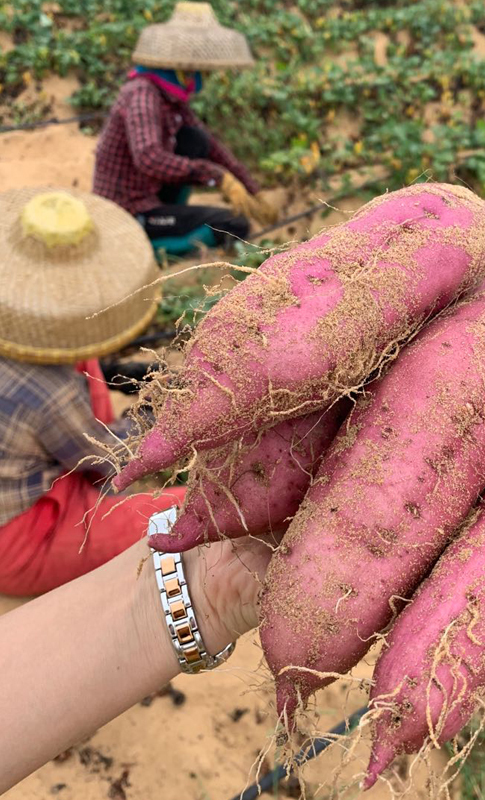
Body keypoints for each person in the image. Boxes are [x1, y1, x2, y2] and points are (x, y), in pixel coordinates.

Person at [0, 337, 485, 792]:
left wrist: (209, 584)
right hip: (28, 527)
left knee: (180, 512)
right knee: (169, 509)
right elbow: (98, 459)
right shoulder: (48, 390)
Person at [0, 186, 185, 596]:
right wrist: (161, 416)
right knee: (183, 512)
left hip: (26, 469)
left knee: (88, 365)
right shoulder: (52, 392)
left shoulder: (35, 361)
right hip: (19, 535)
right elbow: (108, 458)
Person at [92, 2, 277, 256]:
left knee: (195, 139)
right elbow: (149, 158)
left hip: (152, 196)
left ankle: (167, 222)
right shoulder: (142, 94)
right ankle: (149, 251)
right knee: (232, 225)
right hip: (128, 209)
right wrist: (215, 176)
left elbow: (212, 148)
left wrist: (251, 189)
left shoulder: (171, 98)